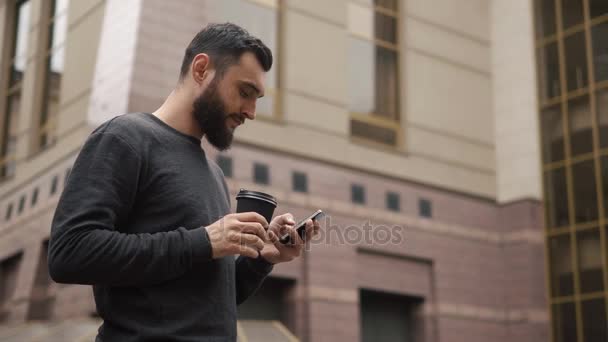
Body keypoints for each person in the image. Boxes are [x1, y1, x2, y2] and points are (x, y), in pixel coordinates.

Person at [48, 22, 320, 341]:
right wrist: (203, 241)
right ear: (202, 69)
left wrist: (262, 260)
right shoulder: (125, 138)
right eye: (245, 92)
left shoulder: (213, 173)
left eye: (257, 98)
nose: (251, 111)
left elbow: (210, 302)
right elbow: (69, 252)